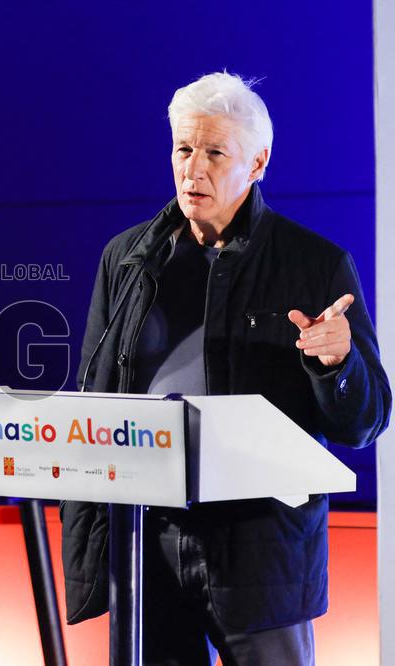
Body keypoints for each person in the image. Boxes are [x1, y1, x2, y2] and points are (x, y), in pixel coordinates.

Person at [61, 72, 391, 665]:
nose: (194, 169)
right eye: (184, 149)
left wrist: (337, 362)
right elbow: (95, 391)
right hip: (147, 540)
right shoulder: (129, 259)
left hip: (261, 548)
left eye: (215, 152)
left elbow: (366, 422)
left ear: (258, 162)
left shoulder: (314, 264)